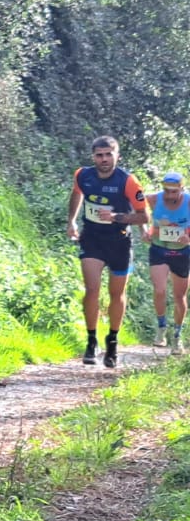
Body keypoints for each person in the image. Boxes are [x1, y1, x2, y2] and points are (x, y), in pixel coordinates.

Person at [67, 136, 149, 368]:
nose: (103, 159)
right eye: (99, 155)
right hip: (92, 239)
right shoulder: (82, 175)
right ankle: (91, 341)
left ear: (117, 155)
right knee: (91, 289)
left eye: (108, 154)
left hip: (119, 242)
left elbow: (144, 216)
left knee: (116, 294)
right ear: (93, 157)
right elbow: (77, 193)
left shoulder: (128, 181)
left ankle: (112, 341)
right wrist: (71, 221)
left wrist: (117, 217)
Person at [146, 170, 190, 354]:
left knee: (179, 296)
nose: (170, 195)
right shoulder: (154, 199)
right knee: (160, 289)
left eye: (174, 191)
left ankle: (177, 336)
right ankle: (161, 327)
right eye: (167, 191)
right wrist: (147, 230)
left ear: (182, 188)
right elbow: (138, 211)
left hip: (181, 252)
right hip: (159, 250)